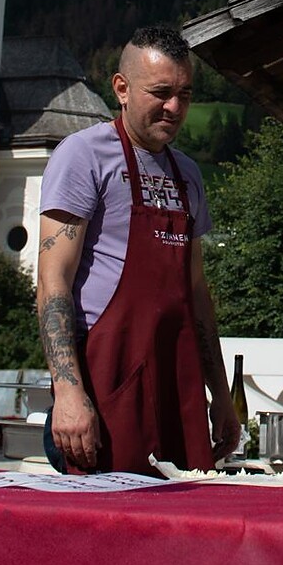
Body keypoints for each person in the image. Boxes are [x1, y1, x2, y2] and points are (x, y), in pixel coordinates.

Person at [36, 24, 238, 475]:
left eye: (185, 94)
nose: (174, 107)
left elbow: (197, 294)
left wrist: (220, 396)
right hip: (107, 379)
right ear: (122, 89)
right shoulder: (83, 155)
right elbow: (53, 281)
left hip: (173, 376)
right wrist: (68, 394)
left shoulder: (188, 174)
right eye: (161, 92)